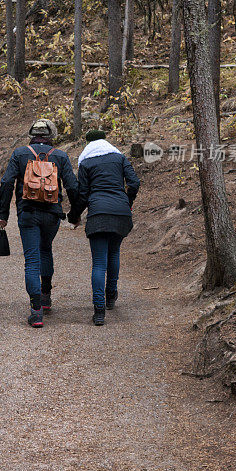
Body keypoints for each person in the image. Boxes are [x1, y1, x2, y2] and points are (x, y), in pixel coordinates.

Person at [0, 119, 79, 327]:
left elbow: (7, 183)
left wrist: (4, 214)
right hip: (52, 214)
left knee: (32, 259)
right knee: (46, 251)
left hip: (27, 213)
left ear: (31, 134)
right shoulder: (60, 156)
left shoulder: (19, 154)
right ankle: (45, 297)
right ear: (51, 135)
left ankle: (35, 312)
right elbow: (72, 186)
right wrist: (75, 214)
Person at [68, 129, 140, 326]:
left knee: (99, 263)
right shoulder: (119, 158)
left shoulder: (86, 162)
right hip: (121, 212)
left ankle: (99, 311)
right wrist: (128, 201)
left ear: (88, 144)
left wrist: (74, 216)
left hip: (98, 213)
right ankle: (111, 297)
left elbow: (82, 194)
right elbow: (134, 182)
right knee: (114, 253)